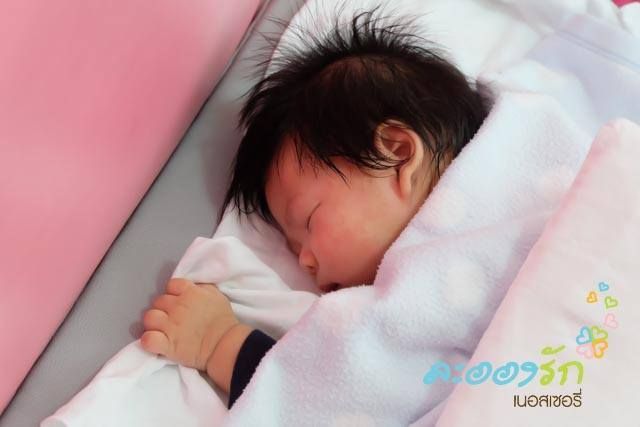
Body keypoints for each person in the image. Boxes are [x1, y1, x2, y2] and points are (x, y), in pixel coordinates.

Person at [140, 6, 492, 409]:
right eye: (293, 247)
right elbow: (355, 390)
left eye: (308, 222)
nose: (304, 262)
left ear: (396, 152)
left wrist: (220, 344)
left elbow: (332, 401)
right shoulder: (397, 308)